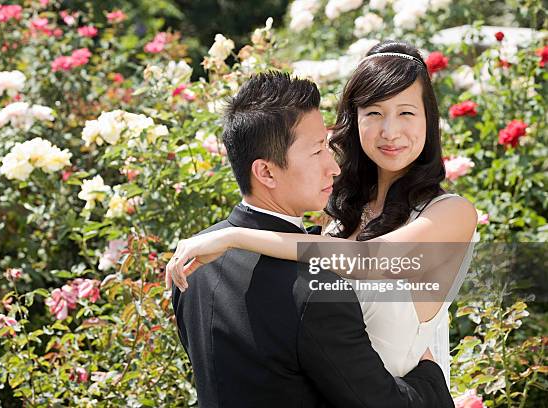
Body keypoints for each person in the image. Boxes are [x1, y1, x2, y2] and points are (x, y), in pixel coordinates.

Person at [167, 41, 478, 389]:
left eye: (406, 113)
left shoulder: (451, 213)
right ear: (354, 120)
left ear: (428, 119)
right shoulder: (337, 210)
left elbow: (369, 259)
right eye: (374, 113)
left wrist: (235, 237)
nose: (390, 131)